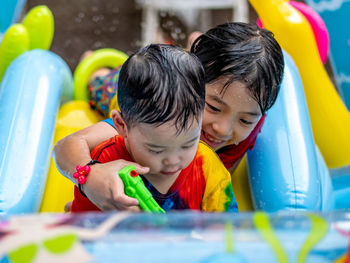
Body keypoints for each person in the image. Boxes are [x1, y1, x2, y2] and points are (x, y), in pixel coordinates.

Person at [54, 22, 284, 211]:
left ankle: (191, 43)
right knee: (103, 85)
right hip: (142, 90)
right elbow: (70, 144)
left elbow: (215, 176)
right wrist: (89, 179)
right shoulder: (154, 112)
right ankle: (96, 66)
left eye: (245, 120)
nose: (223, 129)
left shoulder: (250, 118)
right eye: (213, 107)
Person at [70, 44, 238, 212]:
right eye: (156, 149)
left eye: (187, 144)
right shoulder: (105, 162)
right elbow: (84, 229)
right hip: (110, 93)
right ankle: (94, 68)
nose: (173, 161)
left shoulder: (207, 167)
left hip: (166, 81)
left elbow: (228, 231)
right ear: (121, 125)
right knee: (100, 86)